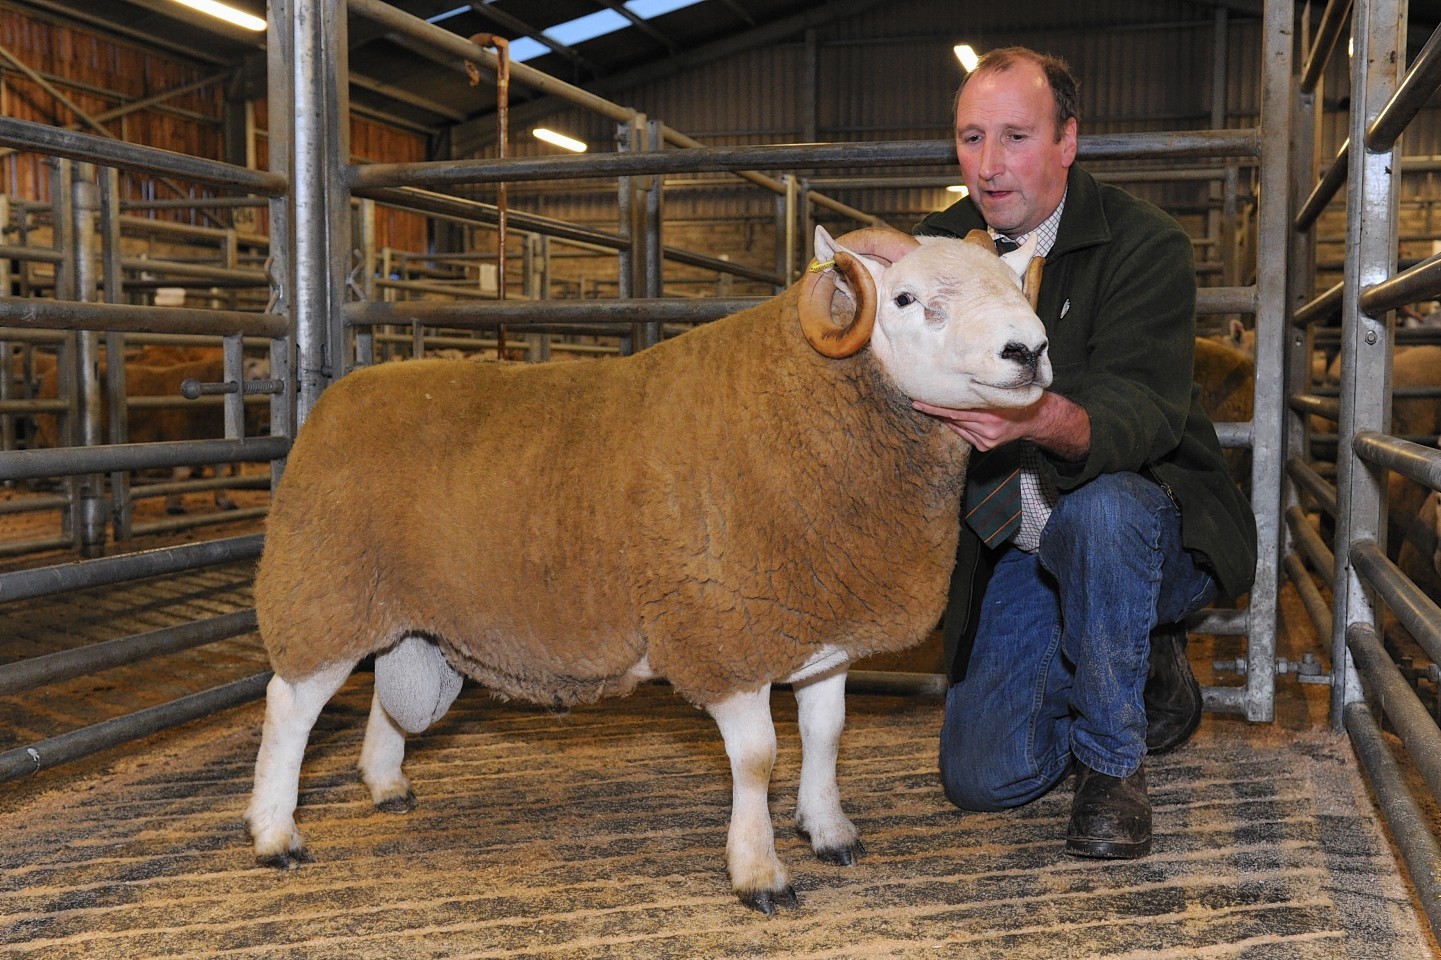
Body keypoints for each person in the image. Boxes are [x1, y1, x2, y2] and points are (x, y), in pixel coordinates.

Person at [846, 47, 1256, 858]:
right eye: (970, 138)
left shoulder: (1145, 246)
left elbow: (1140, 415)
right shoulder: (931, 251)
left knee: (1100, 511)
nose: (989, 167)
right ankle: (1132, 663)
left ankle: (1112, 764)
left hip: (1139, 521)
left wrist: (1031, 421)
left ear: (1068, 140)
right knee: (983, 779)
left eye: (1015, 136)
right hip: (1019, 543)